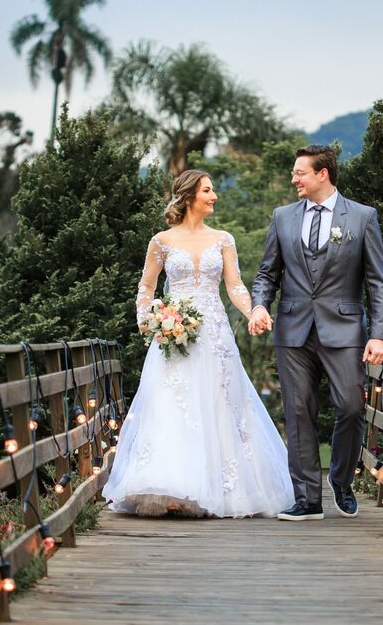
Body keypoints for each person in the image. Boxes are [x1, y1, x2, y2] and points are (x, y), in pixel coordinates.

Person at [103, 170, 295, 518]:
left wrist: (253, 311)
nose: (214, 196)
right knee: (172, 404)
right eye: (208, 190)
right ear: (190, 196)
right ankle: (170, 487)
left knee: (218, 403)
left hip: (214, 334)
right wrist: (149, 320)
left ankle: (219, 488)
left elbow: (234, 285)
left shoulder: (223, 239)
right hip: (172, 336)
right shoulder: (161, 241)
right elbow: (146, 287)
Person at [249, 144, 383, 521]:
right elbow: (267, 273)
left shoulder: (362, 217)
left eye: (300, 172)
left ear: (322, 174)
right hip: (292, 328)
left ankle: (341, 480)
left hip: (344, 329)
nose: (294, 178)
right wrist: (259, 305)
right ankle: (307, 497)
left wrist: (379, 334)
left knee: (351, 406)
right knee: (298, 411)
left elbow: (377, 282)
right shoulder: (282, 218)